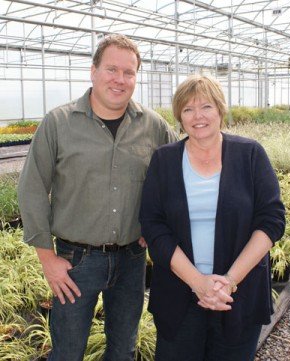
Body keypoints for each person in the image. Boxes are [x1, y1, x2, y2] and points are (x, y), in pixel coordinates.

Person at [18, 34, 177, 361]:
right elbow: (32, 187)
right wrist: (47, 259)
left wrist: (159, 224)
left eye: (129, 72)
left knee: (123, 349)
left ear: (136, 77)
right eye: (111, 69)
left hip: (133, 260)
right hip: (76, 262)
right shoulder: (59, 123)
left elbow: (178, 175)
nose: (120, 80)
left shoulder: (153, 126)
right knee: (68, 351)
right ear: (93, 71)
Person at [139, 75, 285, 361]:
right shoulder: (164, 160)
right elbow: (153, 225)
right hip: (179, 295)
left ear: (220, 110)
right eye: (188, 109)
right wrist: (197, 282)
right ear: (180, 116)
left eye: (206, 106)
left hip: (237, 295)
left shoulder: (250, 154)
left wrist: (228, 281)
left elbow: (271, 219)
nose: (198, 116)